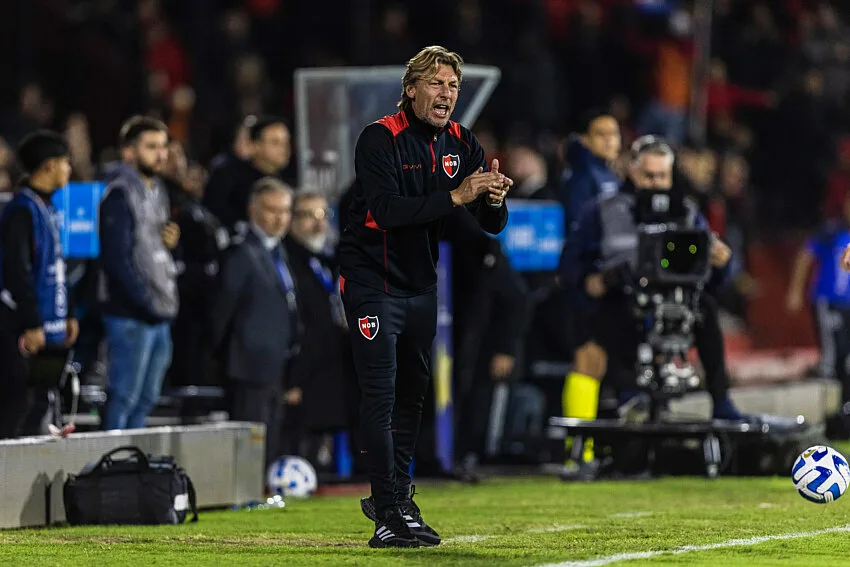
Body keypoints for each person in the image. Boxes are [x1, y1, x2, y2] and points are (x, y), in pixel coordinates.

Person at [338, 45, 512, 548]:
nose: (446, 94)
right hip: (371, 280)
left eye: (453, 86)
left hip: (419, 284)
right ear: (410, 87)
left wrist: (493, 201)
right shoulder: (379, 138)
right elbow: (388, 211)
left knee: (414, 393)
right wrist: (458, 196)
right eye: (436, 83)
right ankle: (387, 508)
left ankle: (398, 496)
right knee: (381, 392)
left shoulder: (461, 141)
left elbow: (490, 224)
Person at [559, 135, 744, 479]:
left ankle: (720, 400)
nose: (656, 184)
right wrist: (589, 281)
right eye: (649, 176)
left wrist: (722, 263)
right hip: (622, 300)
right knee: (610, 317)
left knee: (706, 308)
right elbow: (571, 263)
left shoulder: (686, 211)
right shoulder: (603, 209)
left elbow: (715, 271)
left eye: (662, 177)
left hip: (678, 301)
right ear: (633, 172)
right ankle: (629, 397)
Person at [211, 178, 300, 469]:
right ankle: (246, 493)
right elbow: (223, 310)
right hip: (249, 364)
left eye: (285, 211)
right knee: (251, 437)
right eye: (272, 210)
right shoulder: (242, 253)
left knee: (270, 434)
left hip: (275, 362)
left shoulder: (280, 253)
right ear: (253, 211)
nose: (280, 218)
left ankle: (262, 490)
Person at [98, 116, 180, 430]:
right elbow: (116, 259)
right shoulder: (119, 192)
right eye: (151, 147)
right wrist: (145, 301)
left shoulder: (157, 189)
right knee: (124, 397)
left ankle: (132, 469)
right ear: (129, 152)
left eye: (163, 147)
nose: (160, 154)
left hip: (158, 312)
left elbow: (150, 250)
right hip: (131, 314)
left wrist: (173, 242)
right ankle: (110, 469)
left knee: (146, 398)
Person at [0, 130, 77, 438]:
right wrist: (32, 324)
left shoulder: (49, 209)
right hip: (25, 330)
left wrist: (68, 313)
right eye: (64, 163)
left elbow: (57, 268)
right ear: (48, 166)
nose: (69, 170)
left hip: (51, 329)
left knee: (44, 408)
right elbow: (17, 272)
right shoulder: (21, 210)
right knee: (19, 410)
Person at [795, 191, 850, 436]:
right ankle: (828, 419)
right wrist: (796, 289)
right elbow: (806, 254)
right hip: (829, 301)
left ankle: (844, 410)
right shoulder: (831, 230)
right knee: (831, 358)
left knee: (846, 360)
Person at [203, 116, 291, 234]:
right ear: (255, 145)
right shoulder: (227, 176)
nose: (284, 149)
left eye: (286, 142)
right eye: (275, 142)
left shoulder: (284, 183)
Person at [556, 108, 621, 233]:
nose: (609, 140)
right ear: (585, 139)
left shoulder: (609, 173)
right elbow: (577, 224)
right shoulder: (582, 176)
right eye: (601, 134)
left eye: (613, 133)